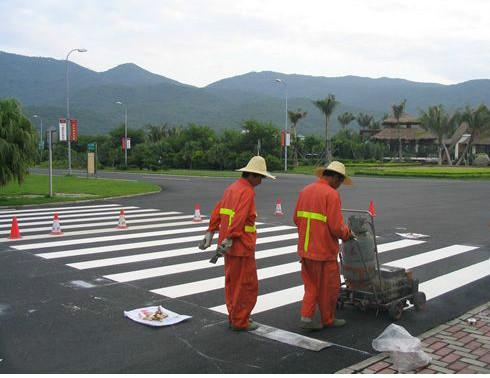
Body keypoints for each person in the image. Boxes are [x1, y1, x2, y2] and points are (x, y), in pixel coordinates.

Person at [198, 155, 276, 331]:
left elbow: (218, 210)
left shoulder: (231, 188)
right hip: (241, 246)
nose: (261, 181)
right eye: (260, 177)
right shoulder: (247, 191)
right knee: (246, 285)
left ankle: (234, 317)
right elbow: (240, 216)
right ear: (252, 175)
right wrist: (232, 236)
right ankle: (241, 321)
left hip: (228, 246)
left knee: (232, 283)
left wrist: (210, 231)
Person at [293, 161, 353, 331]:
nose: (340, 185)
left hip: (305, 250)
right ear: (335, 177)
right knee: (330, 287)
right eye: (340, 181)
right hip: (324, 252)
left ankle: (306, 316)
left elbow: (296, 219)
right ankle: (328, 319)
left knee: (311, 285)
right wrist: (347, 234)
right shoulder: (331, 194)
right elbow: (336, 227)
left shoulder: (305, 191)